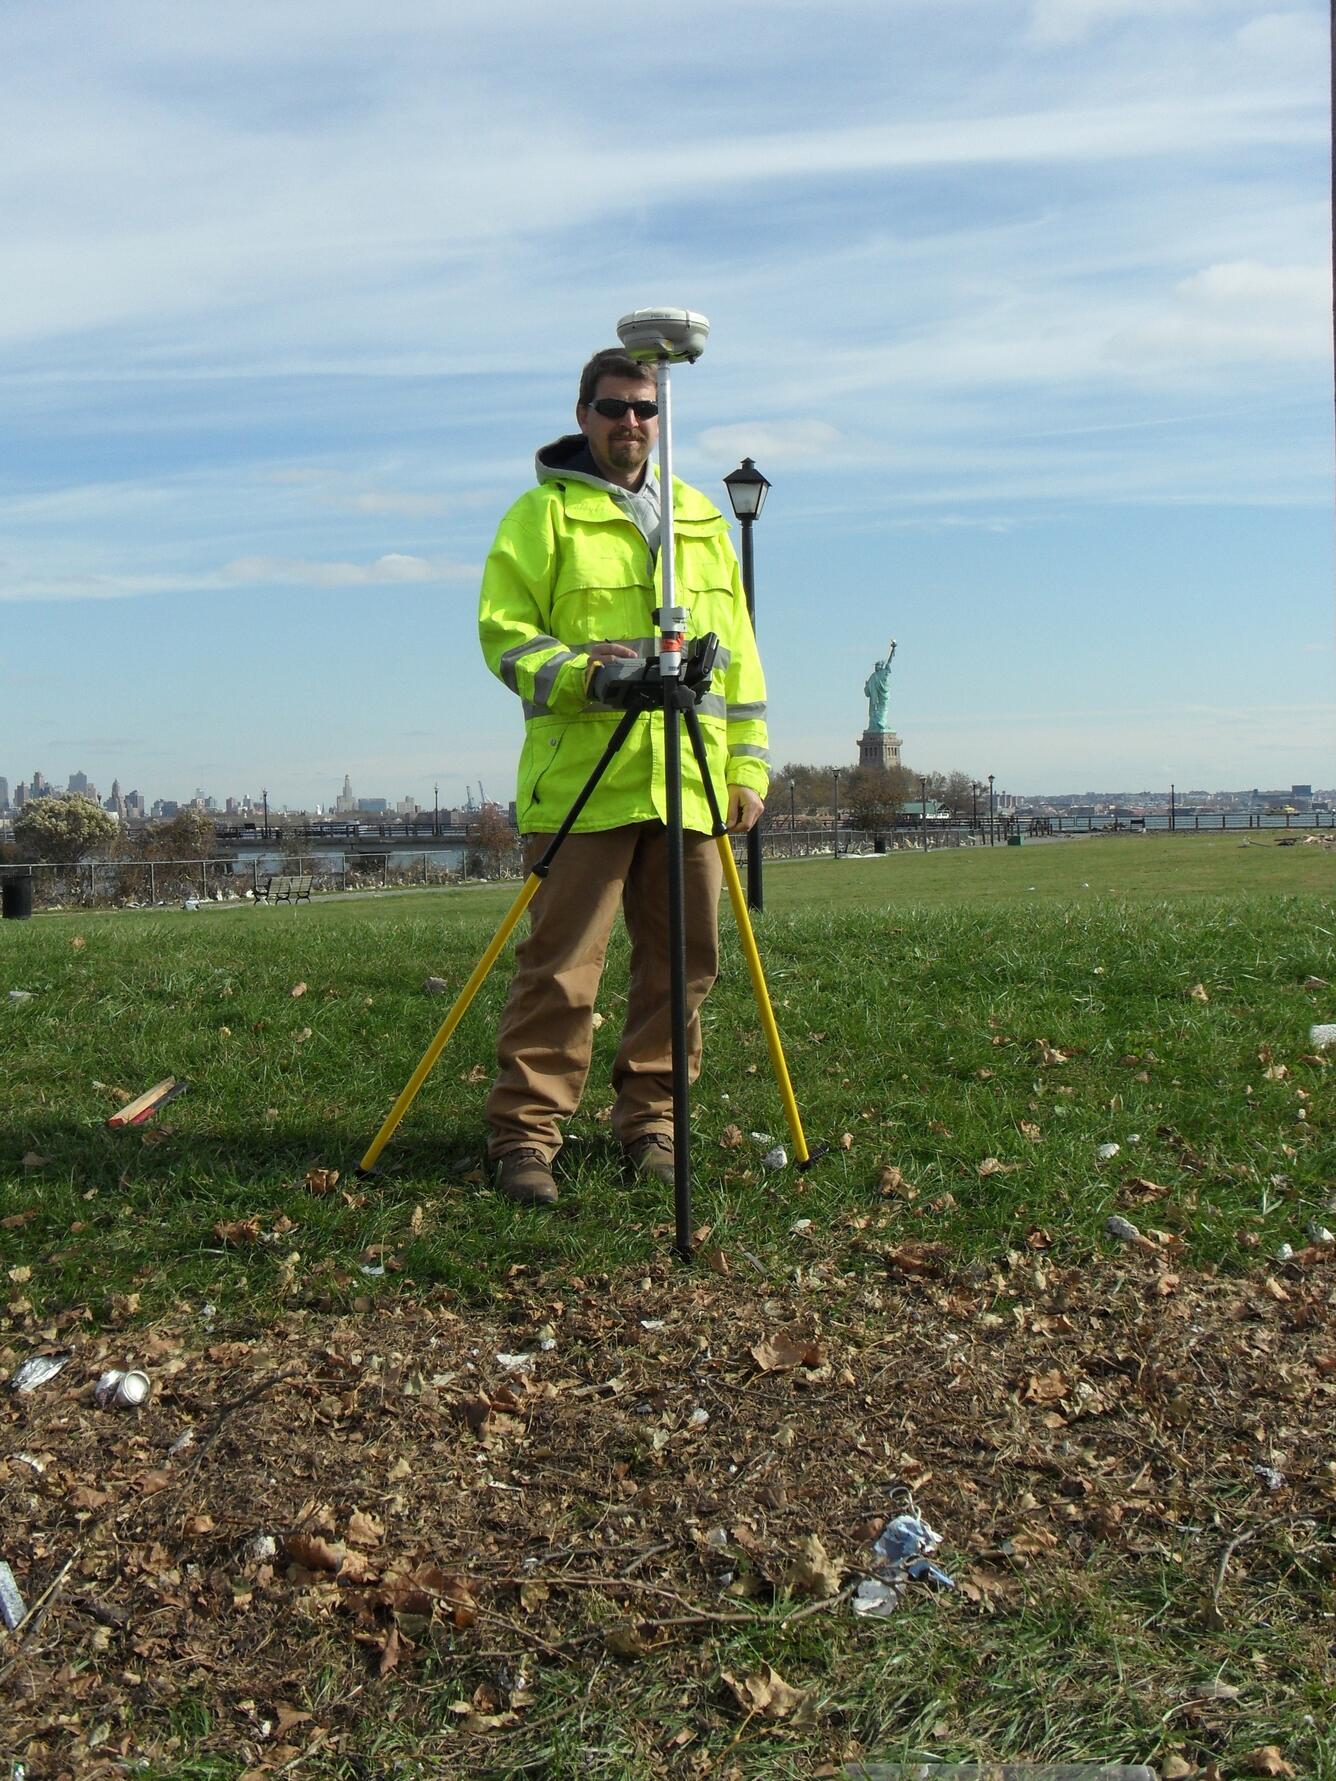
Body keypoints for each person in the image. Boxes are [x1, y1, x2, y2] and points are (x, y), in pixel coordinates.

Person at [477, 346, 769, 1205]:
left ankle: (654, 1123)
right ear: (583, 415)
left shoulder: (700, 519)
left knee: (685, 963)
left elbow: (741, 660)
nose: (630, 423)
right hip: (584, 784)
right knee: (563, 966)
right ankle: (527, 1138)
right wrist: (583, 672)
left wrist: (747, 766)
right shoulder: (542, 518)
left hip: (689, 782)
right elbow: (504, 637)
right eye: (613, 408)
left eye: (645, 408)